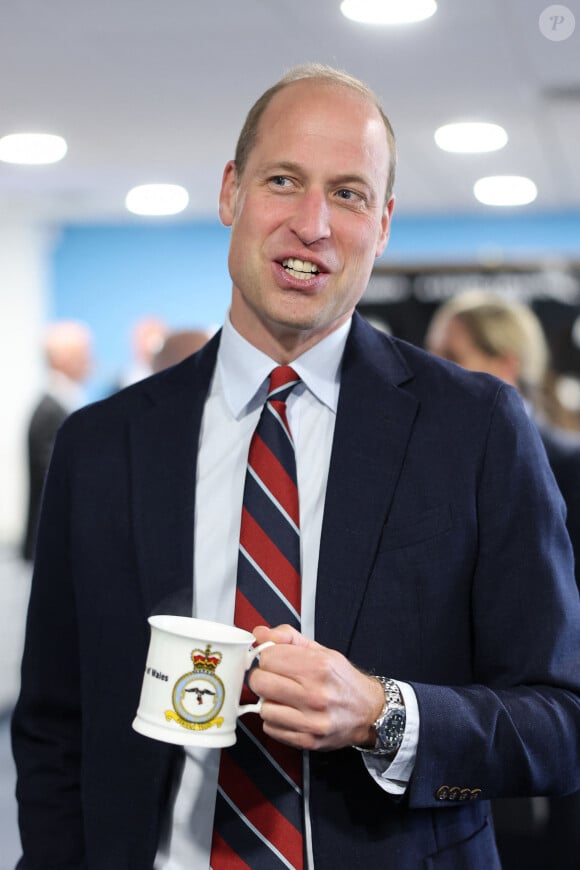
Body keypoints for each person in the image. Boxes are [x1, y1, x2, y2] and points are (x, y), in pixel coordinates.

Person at [11, 64, 580, 870]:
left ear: (381, 225)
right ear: (230, 193)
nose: (312, 223)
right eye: (284, 180)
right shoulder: (102, 445)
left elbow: (560, 725)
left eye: (348, 194)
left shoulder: (475, 428)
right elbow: (53, 730)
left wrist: (384, 713)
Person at [425, 290, 580, 869]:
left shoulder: (569, 465)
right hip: (454, 736)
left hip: (538, 728)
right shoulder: (437, 465)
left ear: (505, 364)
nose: (431, 364)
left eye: (451, 352)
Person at [20, 320, 92, 562]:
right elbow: (61, 474)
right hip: (50, 546)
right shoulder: (51, 412)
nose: (90, 362)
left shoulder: (62, 405)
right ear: (63, 359)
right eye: (84, 354)